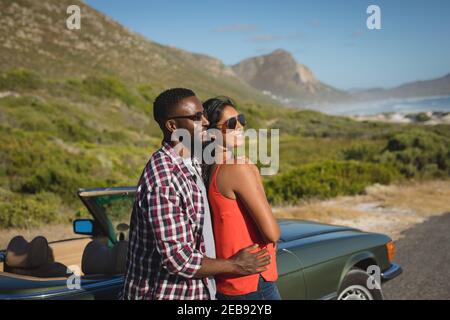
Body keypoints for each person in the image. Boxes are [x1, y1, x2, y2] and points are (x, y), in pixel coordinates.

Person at [122, 88, 270, 300]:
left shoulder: (193, 162)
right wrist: (235, 265)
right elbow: (178, 260)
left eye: (204, 115)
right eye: (197, 117)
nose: (206, 122)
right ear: (172, 126)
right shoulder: (163, 180)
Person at [203, 96, 282, 300]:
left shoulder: (209, 169)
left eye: (241, 119)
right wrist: (253, 173)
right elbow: (271, 233)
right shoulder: (237, 168)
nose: (239, 126)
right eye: (231, 123)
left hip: (227, 282)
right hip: (254, 280)